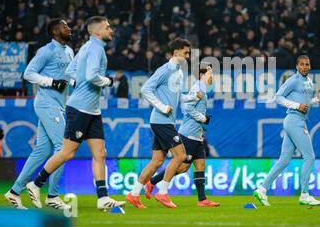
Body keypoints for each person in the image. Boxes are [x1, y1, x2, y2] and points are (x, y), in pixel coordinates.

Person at [26, 16, 126, 210]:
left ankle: (102, 197)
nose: (111, 30)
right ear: (97, 31)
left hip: (92, 110)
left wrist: (75, 83)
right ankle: (36, 183)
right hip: (80, 109)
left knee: (100, 153)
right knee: (67, 152)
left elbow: (71, 71)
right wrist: (108, 81)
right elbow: (91, 77)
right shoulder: (96, 48)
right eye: (108, 27)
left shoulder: (87, 47)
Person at [4, 19, 74, 210]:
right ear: (54, 31)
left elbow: (69, 80)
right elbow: (28, 73)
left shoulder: (69, 51)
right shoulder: (46, 51)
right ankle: (52, 195)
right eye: (64, 26)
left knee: (42, 151)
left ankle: (14, 192)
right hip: (46, 103)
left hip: (58, 106)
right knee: (63, 149)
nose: (69, 28)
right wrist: (51, 82)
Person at [126, 38, 202, 209]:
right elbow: (146, 88)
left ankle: (134, 194)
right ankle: (163, 193)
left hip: (164, 121)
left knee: (157, 161)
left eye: (189, 53)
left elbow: (178, 96)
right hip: (161, 121)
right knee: (181, 156)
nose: (188, 56)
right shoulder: (165, 70)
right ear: (176, 52)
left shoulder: (178, 72)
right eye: (185, 52)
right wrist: (161, 106)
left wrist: (191, 96)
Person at [253, 55, 320, 206]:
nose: (305, 67)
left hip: (297, 121)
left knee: (284, 160)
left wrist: (317, 99)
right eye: (302, 64)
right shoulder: (293, 80)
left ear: (310, 66)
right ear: (297, 66)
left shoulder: (309, 82)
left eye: (307, 64)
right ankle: (304, 195)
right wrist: (296, 106)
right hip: (294, 121)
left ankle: (261, 189)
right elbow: (278, 97)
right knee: (310, 156)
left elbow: (305, 103)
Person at [144, 65, 220, 207]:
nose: (212, 77)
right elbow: (187, 108)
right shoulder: (197, 89)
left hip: (197, 135)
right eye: (210, 73)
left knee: (200, 165)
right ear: (202, 75)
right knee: (182, 167)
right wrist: (203, 119)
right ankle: (152, 182)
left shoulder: (202, 89)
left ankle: (202, 200)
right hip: (188, 134)